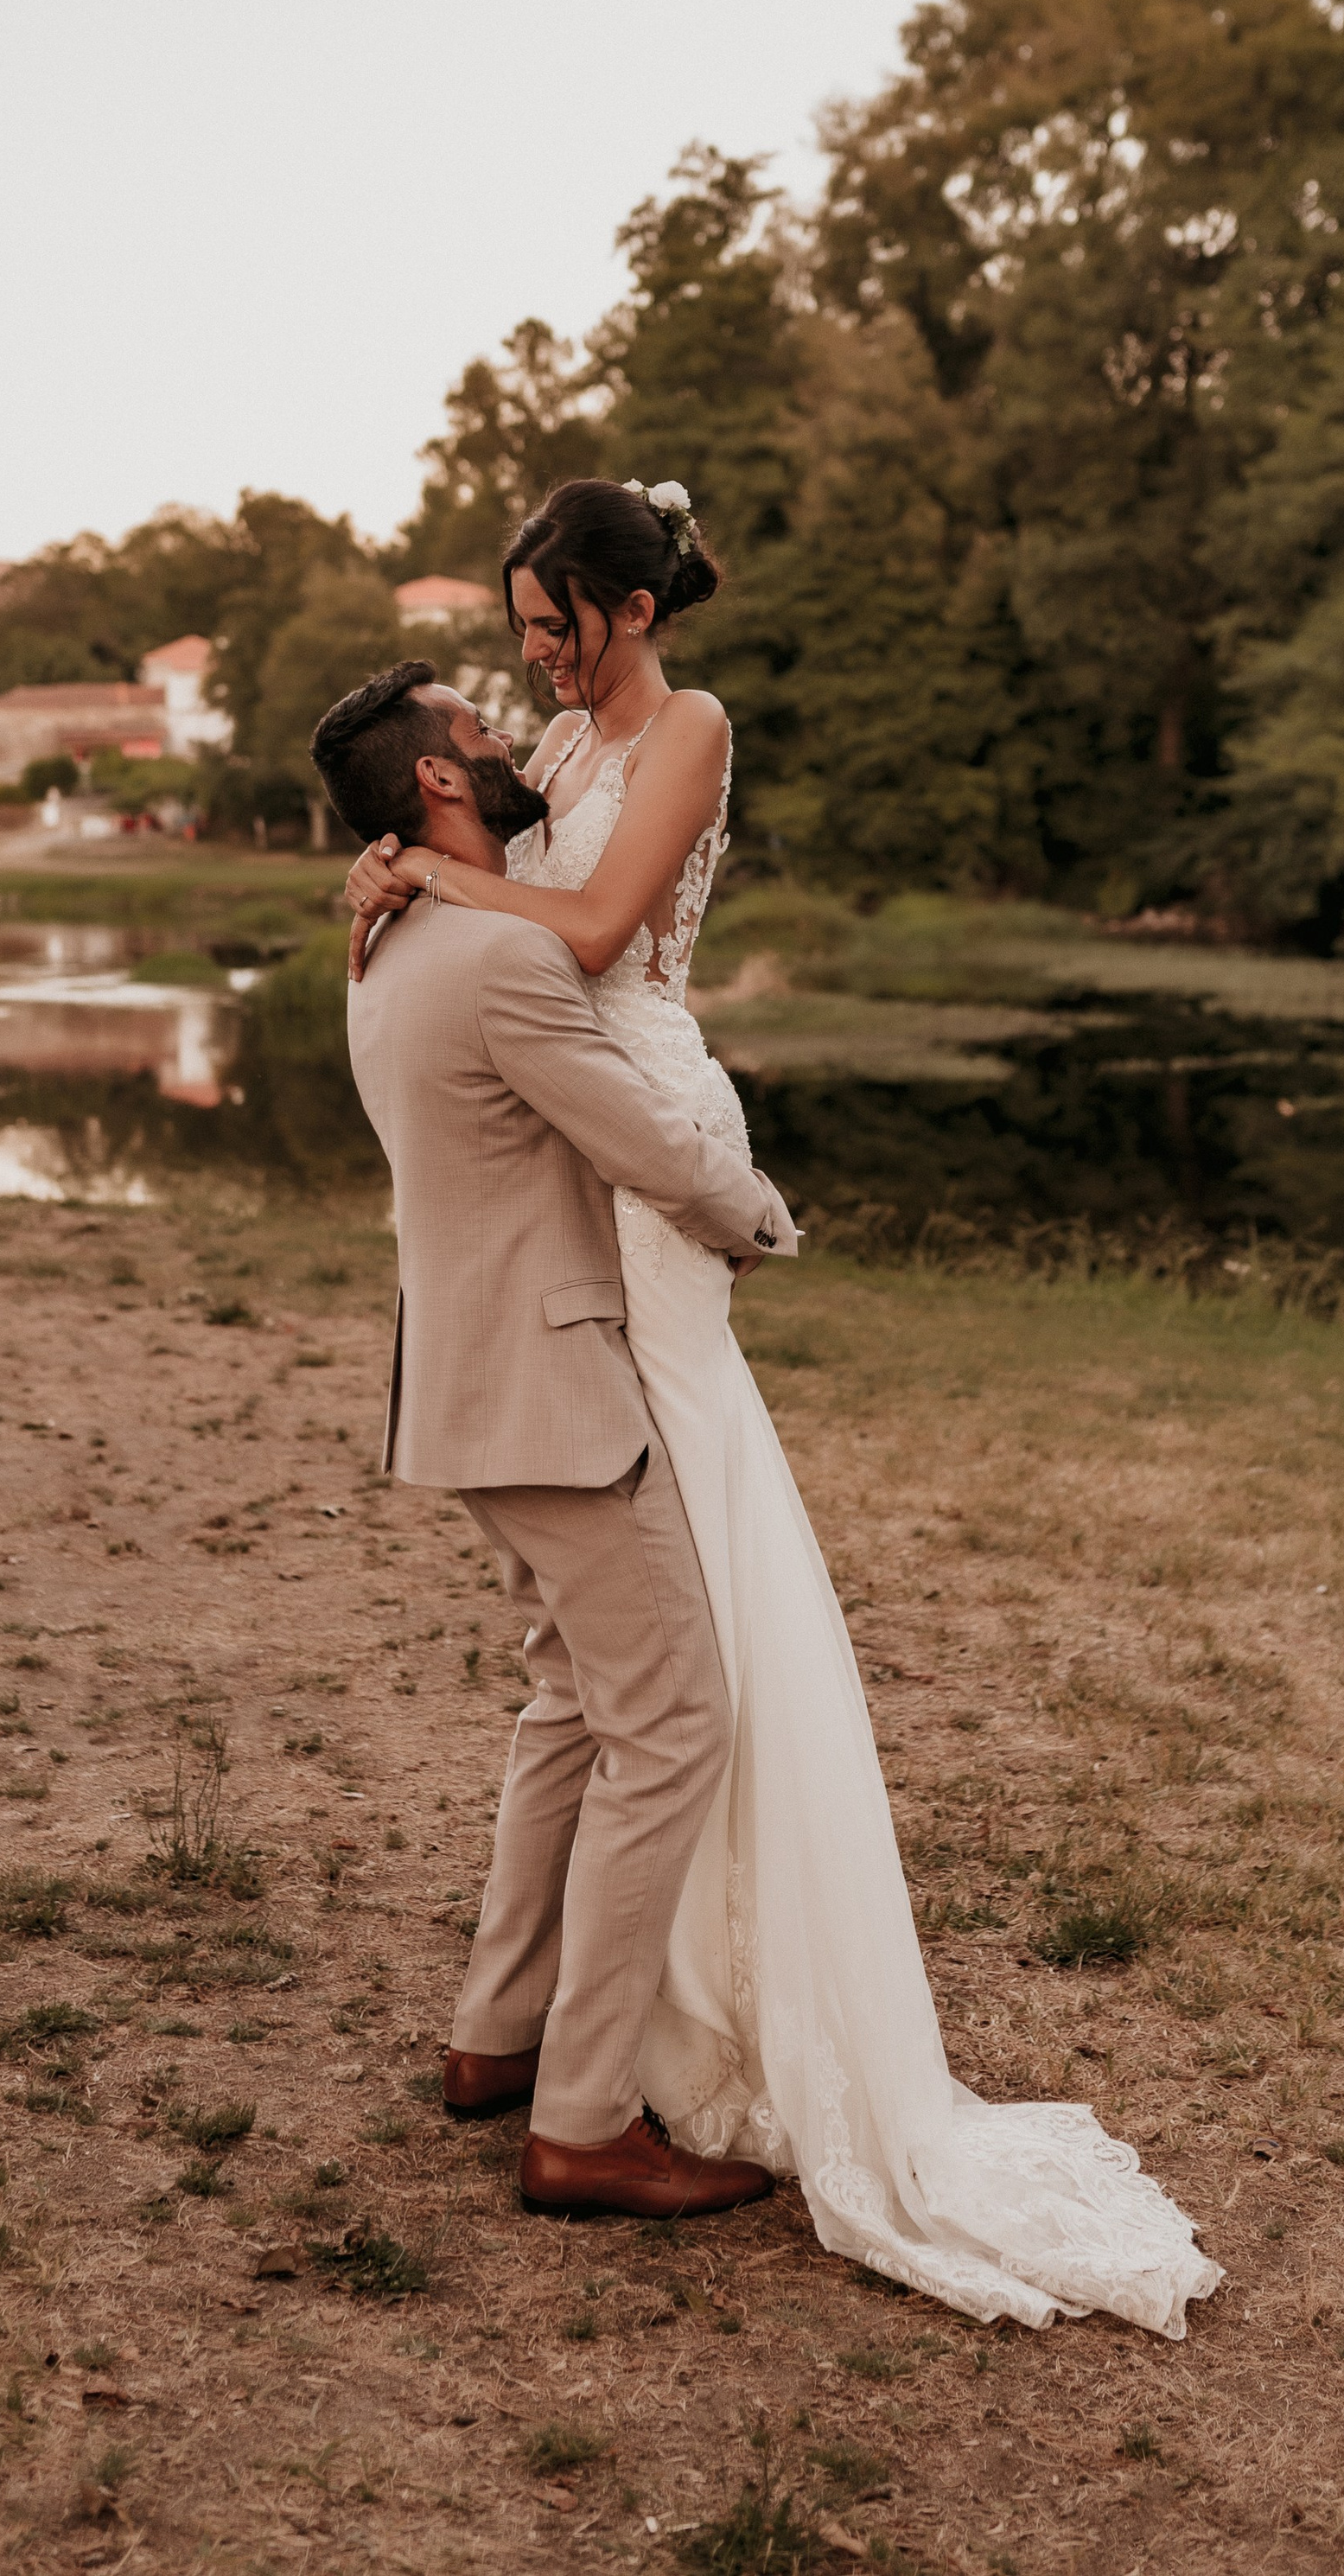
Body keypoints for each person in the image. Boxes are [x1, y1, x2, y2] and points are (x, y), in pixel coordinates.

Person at [334, 477, 1222, 2337]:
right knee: (642, 1676)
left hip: (627, 1120)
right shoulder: (544, 757)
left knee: (628, 1630)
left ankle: (552, 2030)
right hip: (588, 1166)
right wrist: (404, 863)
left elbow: (594, 928)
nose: (531, 662)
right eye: (517, 638)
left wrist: (425, 870)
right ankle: (570, 2074)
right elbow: (522, 910)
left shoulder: (687, 728)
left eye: (553, 626)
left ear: (631, 608)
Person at [312, 657, 799, 2222]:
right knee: (674, 1724)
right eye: (474, 724)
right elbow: (637, 1139)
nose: (503, 730)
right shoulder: (499, 960)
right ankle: (584, 2123)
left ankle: (498, 2036)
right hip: (555, 1390)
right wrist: (754, 1214)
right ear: (439, 779)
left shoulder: (386, 945)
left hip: (463, 1387)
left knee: (574, 1702)